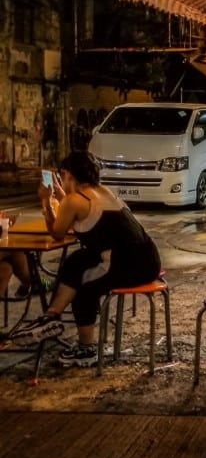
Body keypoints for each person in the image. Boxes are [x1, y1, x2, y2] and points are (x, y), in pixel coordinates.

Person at [10, 152, 161, 367]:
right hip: (147, 259)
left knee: (85, 286)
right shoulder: (102, 192)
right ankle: (52, 315)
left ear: (70, 175)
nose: (62, 179)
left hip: (130, 265)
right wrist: (61, 196)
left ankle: (86, 349)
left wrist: (46, 200)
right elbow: (80, 209)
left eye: (63, 175)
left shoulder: (75, 200)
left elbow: (57, 233)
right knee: (78, 260)